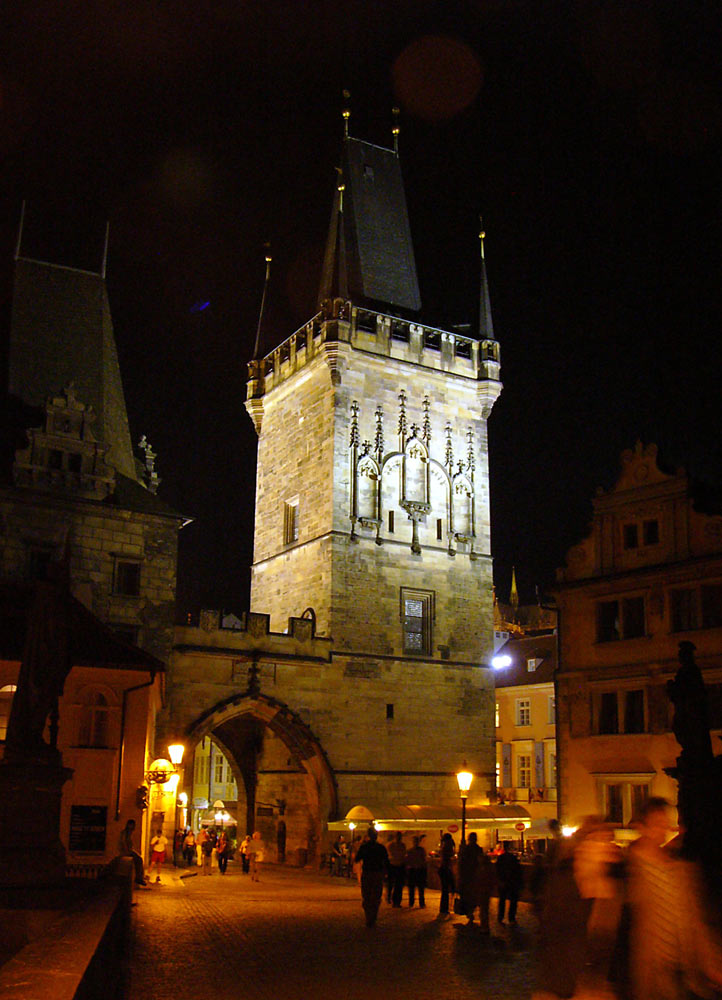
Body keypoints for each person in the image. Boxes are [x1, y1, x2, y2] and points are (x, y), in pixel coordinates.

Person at [626, 796, 722, 1000]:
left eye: (665, 823)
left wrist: (711, 964)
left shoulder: (680, 870)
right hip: (651, 976)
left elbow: (695, 922)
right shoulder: (628, 870)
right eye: (657, 824)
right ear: (642, 827)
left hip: (685, 972)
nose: (664, 829)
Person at [354, 827, 389, 927]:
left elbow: (357, 858)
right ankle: (373, 917)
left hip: (368, 873)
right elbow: (386, 861)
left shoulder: (364, 847)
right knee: (376, 897)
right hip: (377, 873)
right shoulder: (381, 848)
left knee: (367, 896)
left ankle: (368, 917)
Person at [458, 832, 492, 931]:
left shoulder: (466, 849)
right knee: (475, 897)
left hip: (469, 877)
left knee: (468, 896)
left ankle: (470, 913)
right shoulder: (478, 849)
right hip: (475, 876)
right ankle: (473, 913)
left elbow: (462, 863)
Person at [495, 841, 522, 924]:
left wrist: (499, 879)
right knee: (513, 900)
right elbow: (518, 870)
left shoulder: (501, 858)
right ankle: (511, 918)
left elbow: (497, 869)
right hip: (512, 881)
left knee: (502, 900)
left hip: (503, 881)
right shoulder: (513, 858)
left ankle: (500, 917)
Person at [118, 819, 147, 887]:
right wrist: (126, 851)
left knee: (139, 859)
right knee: (139, 859)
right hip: (126, 851)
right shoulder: (125, 833)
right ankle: (139, 877)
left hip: (129, 850)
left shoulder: (128, 833)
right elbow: (123, 842)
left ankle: (140, 877)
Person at [405, 835, 427, 908]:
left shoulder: (414, 851)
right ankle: (413, 902)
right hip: (414, 870)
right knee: (414, 888)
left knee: (419, 888)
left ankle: (419, 903)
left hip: (418, 869)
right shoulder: (411, 851)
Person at [438, 832, 456, 915]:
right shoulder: (447, 848)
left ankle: (444, 908)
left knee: (445, 889)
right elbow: (450, 856)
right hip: (445, 869)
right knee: (446, 889)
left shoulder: (444, 846)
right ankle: (444, 908)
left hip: (443, 869)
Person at [386, 831, 406, 906]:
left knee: (399, 885)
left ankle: (397, 901)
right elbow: (390, 855)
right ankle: (390, 897)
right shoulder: (391, 845)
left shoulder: (402, 845)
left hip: (399, 865)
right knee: (391, 884)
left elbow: (403, 854)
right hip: (393, 865)